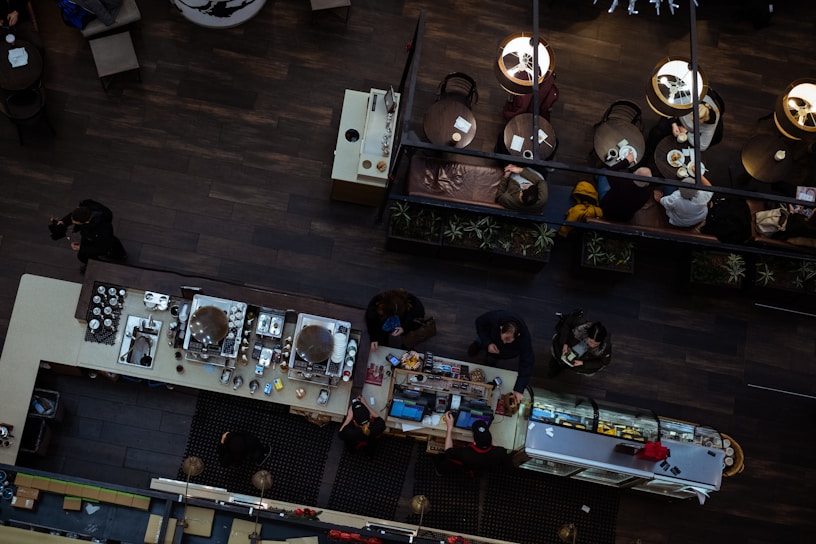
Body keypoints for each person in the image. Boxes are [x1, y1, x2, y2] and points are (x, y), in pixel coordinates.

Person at [468, 311, 534, 402]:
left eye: (508, 340)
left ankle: (491, 358)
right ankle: (478, 344)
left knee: (491, 359)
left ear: (518, 335)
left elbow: (527, 362)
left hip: (505, 352)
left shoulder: (524, 338)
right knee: (481, 340)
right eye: (504, 338)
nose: (504, 342)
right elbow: (479, 322)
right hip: (491, 338)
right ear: (501, 327)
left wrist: (519, 389)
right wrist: (488, 343)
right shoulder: (495, 317)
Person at [49, 199, 127, 273]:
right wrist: (63, 222)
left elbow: (102, 247)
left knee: (83, 255)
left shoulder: (103, 229)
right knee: (110, 241)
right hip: (94, 234)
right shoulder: (85, 207)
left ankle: (96, 266)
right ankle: (119, 254)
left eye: (76, 222)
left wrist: (81, 248)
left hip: (99, 237)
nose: (72, 222)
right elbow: (74, 215)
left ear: (86, 222)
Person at [435, 413, 512, 477]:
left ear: (474, 443)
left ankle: (439, 472)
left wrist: (449, 428)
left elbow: (448, 451)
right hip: (482, 468)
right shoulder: (500, 452)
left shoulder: (465, 453)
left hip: (467, 466)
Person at [548, 310, 611, 377]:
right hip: (563, 352)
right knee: (556, 363)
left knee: (564, 365)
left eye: (596, 344)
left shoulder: (605, 347)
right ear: (587, 335)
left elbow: (603, 362)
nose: (592, 345)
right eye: (590, 341)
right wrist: (564, 343)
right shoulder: (580, 326)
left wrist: (583, 363)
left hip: (580, 362)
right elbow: (567, 324)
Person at [597, 151, 653, 222]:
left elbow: (609, 172)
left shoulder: (622, 183)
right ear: (647, 183)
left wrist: (626, 161)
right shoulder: (647, 194)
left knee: (603, 171)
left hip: (606, 209)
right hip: (624, 217)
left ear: (634, 174)